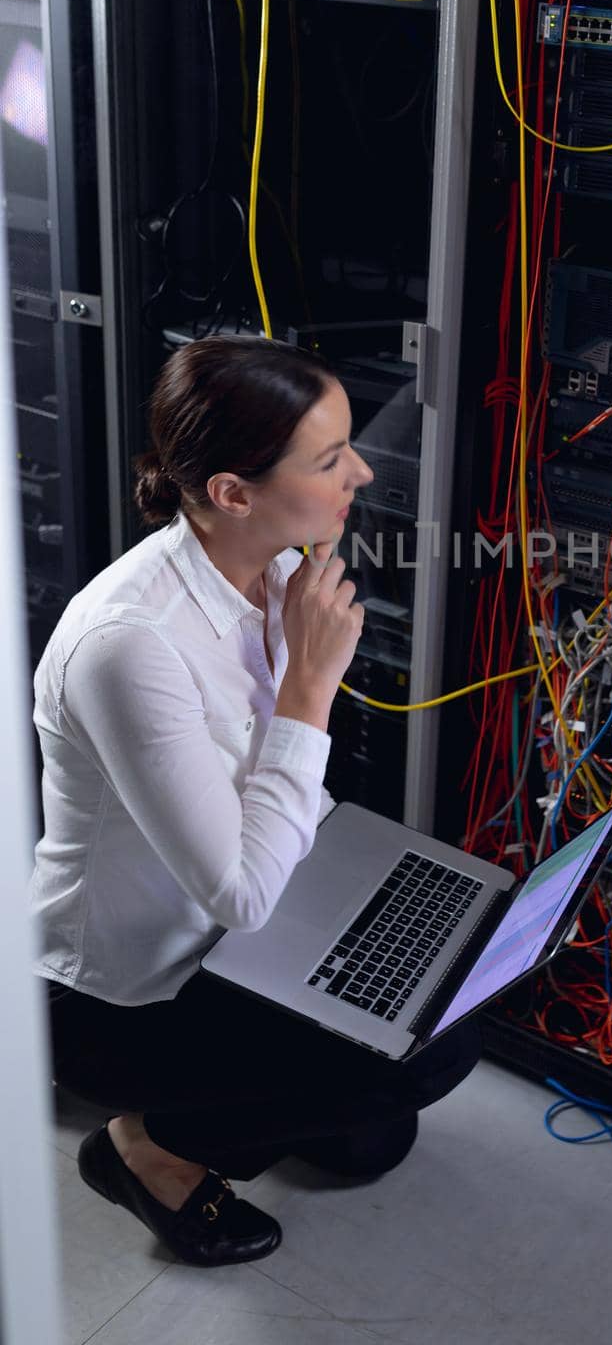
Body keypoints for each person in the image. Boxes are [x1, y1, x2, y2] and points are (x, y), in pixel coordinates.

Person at [29, 336, 481, 1267]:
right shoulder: (130, 646)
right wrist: (307, 689)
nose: (360, 469)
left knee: (375, 1130)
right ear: (234, 493)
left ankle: (242, 1102)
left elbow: (282, 817)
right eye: (329, 459)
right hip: (134, 994)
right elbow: (238, 892)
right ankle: (140, 1145)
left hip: (249, 937)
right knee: (431, 1055)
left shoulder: (275, 568)